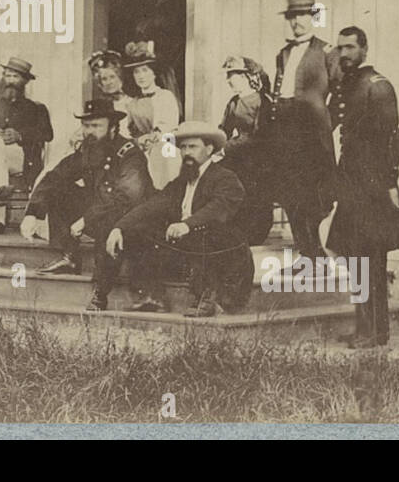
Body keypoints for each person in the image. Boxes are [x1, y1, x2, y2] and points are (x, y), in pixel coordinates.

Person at [107, 122, 250, 317]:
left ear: (209, 149)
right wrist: (119, 227)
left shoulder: (225, 178)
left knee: (206, 231)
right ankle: (151, 295)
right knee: (139, 231)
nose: (186, 152)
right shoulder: (182, 181)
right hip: (187, 245)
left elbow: (218, 209)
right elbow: (153, 204)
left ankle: (206, 299)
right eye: (183, 147)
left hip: (222, 247)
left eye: (193, 147)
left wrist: (187, 225)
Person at [23, 99, 153, 309]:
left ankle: (100, 292)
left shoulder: (130, 153)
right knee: (59, 191)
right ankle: (70, 257)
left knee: (106, 219)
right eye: (86, 125)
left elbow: (125, 198)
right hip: (102, 211)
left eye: (96, 126)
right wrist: (32, 213)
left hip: (134, 220)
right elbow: (55, 176)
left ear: (112, 128)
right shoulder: (90, 149)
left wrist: (85, 219)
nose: (89, 131)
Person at [326, 27, 399, 348]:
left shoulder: (378, 86)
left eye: (350, 48)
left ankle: (372, 331)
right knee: (354, 256)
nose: (344, 54)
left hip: (373, 186)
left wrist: (389, 186)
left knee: (370, 259)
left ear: (364, 50)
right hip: (351, 184)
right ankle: (368, 327)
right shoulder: (347, 85)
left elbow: (392, 141)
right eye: (340, 48)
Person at [266, 0, 336, 259]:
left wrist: (324, 121)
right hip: (285, 132)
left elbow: (339, 92)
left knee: (315, 194)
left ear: (314, 18)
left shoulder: (327, 52)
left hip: (311, 135)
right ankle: (305, 252)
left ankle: (317, 251)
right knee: (289, 193)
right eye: (293, 17)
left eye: (303, 16)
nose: (297, 22)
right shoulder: (283, 53)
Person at [0, 57, 53, 230]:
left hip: (22, 159)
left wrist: (20, 135)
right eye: (7, 76)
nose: (10, 81)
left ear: (25, 81)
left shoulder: (36, 108)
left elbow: (47, 134)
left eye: (15, 77)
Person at [215, 55, 275, 248]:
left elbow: (260, 135)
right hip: (236, 157)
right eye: (229, 76)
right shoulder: (233, 102)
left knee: (256, 195)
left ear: (247, 76)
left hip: (259, 157)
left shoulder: (262, 101)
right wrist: (214, 146)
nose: (229, 80)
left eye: (234, 75)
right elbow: (223, 130)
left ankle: (255, 232)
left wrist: (227, 148)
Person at [122, 49, 182, 189]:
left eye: (145, 70)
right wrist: (138, 141)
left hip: (166, 146)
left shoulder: (165, 96)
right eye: (136, 72)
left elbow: (168, 127)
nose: (140, 76)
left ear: (154, 73)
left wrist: (151, 138)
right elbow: (129, 130)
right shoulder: (132, 103)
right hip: (141, 147)